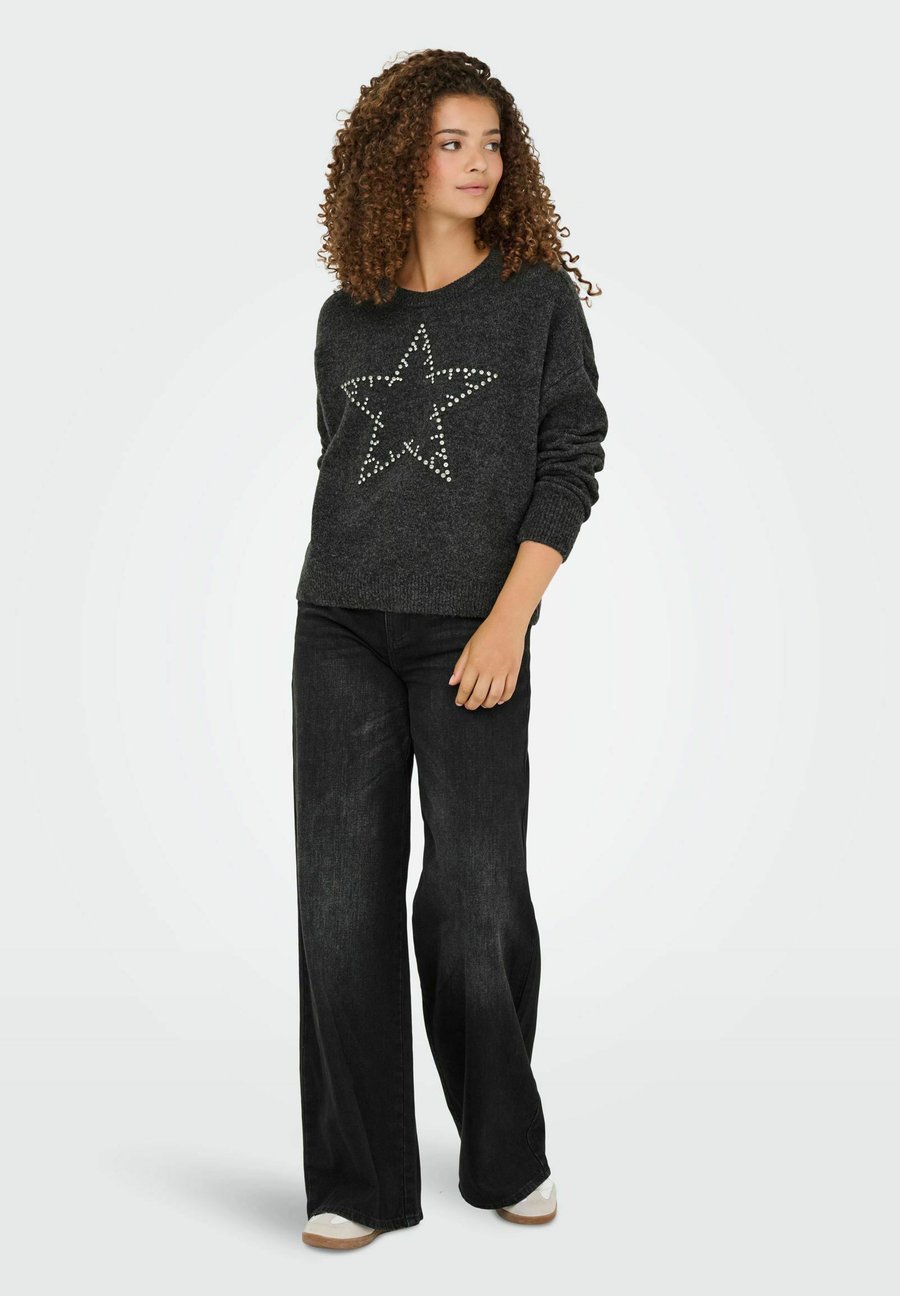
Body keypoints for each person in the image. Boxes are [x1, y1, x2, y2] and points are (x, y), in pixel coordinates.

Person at [291, 48, 608, 1250]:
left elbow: (570, 462)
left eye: (492, 145)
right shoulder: (345, 319)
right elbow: (340, 473)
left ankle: (506, 1151)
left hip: (473, 635)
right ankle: (359, 1181)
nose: (478, 164)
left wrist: (508, 618)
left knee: (474, 902)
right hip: (339, 627)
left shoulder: (535, 300)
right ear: (398, 161)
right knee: (341, 907)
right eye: (450, 143)